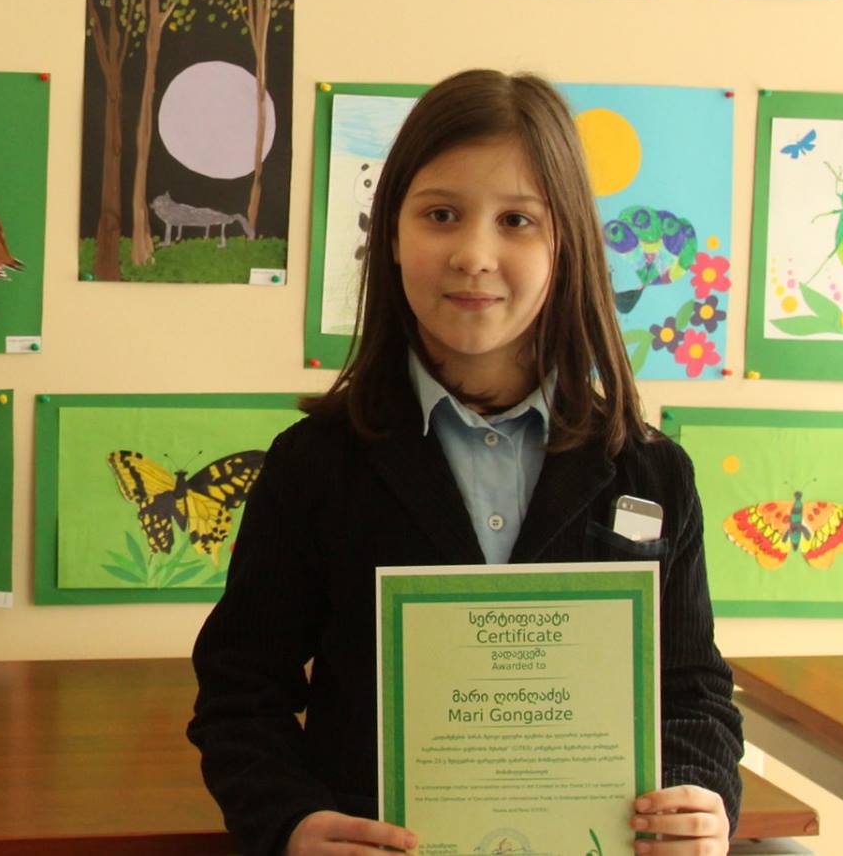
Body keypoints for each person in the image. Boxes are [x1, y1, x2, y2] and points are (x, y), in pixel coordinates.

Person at [190, 70, 742, 856]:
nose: (475, 255)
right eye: (441, 214)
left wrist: (701, 795)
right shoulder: (314, 467)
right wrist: (290, 821)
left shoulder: (650, 473)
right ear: (390, 234)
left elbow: (691, 691)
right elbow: (242, 687)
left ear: (565, 245)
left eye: (517, 220)